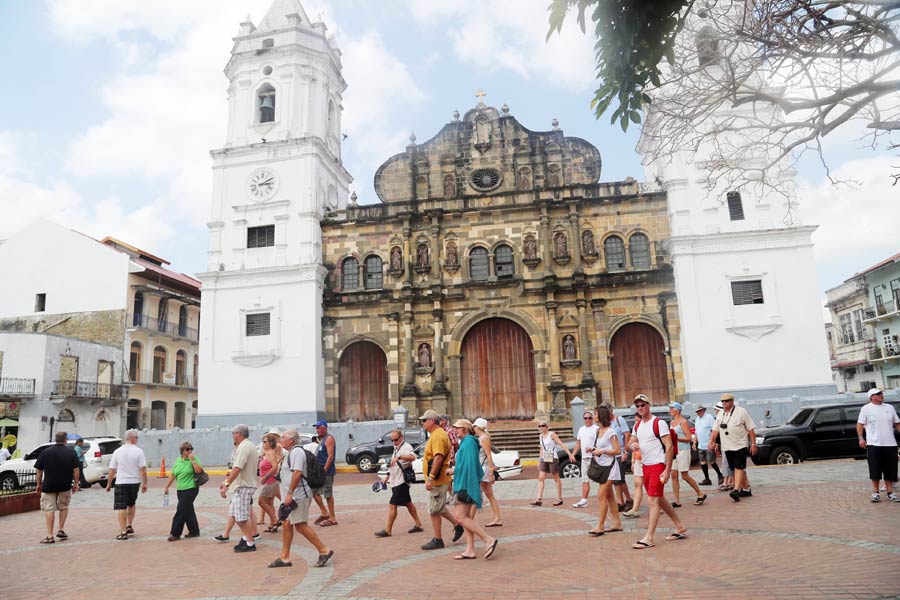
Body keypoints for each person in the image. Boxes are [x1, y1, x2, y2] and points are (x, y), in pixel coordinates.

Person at [268, 429, 334, 568]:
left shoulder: (297, 452)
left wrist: (290, 493)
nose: (281, 440)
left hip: (298, 495)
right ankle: (284, 557)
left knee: (300, 525)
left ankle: (324, 550)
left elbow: (297, 473)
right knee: (286, 523)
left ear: (291, 440)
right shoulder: (289, 453)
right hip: (290, 497)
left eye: (283, 437)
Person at [629, 394, 687, 549]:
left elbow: (669, 446)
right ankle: (679, 526)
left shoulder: (658, 423)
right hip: (646, 465)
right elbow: (632, 440)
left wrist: (667, 469)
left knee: (653, 501)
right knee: (659, 498)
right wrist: (631, 445)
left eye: (643, 405)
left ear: (649, 405)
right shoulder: (637, 425)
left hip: (658, 465)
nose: (640, 408)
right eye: (638, 406)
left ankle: (649, 537)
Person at [449, 419, 498, 560]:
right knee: (466, 517)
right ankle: (470, 549)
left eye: (457, 428)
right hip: (464, 482)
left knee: (460, 517)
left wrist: (453, 470)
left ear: (464, 429)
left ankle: (488, 539)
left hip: (465, 484)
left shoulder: (469, 442)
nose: (455, 430)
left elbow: (469, 465)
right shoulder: (467, 442)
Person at [419, 409, 464, 550]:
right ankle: (457, 525)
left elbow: (438, 457)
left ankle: (438, 539)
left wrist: (430, 477)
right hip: (439, 478)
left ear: (432, 421)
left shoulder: (438, 436)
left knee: (434, 509)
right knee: (439, 506)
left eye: (424, 421)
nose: (422, 424)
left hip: (438, 479)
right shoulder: (436, 434)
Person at [373, 429, 423, 537]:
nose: (394, 442)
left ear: (401, 437)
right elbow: (392, 464)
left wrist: (400, 457)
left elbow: (412, 457)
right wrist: (387, 476)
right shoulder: (396, 447)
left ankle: (388, 529)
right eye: (392, 440)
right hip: (395, 480)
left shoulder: (406, 447)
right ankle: (418, 524)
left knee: (393, 504)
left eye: (396, 440)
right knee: (408, 503)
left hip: (402, 481)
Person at [708, 393, 757, 502]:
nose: (724, 403)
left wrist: (753, 444)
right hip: (727, 446)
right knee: (735, 469)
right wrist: (711, 441)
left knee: (739, 467)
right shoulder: (720, 414)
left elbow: (751, 429)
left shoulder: (741, 412)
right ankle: (746, 489)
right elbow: (715, 429)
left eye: (727, 401)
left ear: (732, 401)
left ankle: (736, 490)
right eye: (723, 402)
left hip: (740, 445)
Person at [219, 424, 259, 552]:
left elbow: (237, 468)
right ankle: (246, 538)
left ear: (238, 434)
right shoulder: (248, 445)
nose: (232, 435)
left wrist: (226, 485)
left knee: (241, 517)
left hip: (244, 486)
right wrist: (226, 480)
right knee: (235, 514)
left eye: (233, 433)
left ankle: (250, 542)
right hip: (242, 485)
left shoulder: (244, 447)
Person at [35, 431, 79, 544]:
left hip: (48, 485)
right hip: (65, 484)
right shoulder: (71, 452)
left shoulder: (45, 452)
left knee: (49, 509)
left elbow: (39, 470)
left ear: (55, 439)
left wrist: (38, 484)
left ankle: (50, 536)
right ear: (65, 440)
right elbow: (76, 469)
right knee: (64, 506)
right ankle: (61, 529)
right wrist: (76, 483)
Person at [857, 388, 900, 502]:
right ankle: (875, 492)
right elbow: (860, 424)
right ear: (872, 397)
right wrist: (861, 438)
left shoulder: (889, 408)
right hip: (873, 444)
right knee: (875, 468)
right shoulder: (866, 409)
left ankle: (890, 492)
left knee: (890, 469)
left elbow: (897, 423)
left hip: (890, 444)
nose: (881, 395)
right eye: (878, 394)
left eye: (881, 393)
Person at [587, 406, 623, 536]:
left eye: (595, 414)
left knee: (601, 495)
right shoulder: (598, 431)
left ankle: (600, 525)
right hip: (602, 466)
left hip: (611, 467)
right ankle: (617, 523)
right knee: (610, 496)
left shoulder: (610, 432)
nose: (593, 416)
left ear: (601, 416)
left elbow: (617, 450)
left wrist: (602, 451)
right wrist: (592, 449)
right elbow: (600, 446)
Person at [105, 429, 148, 540]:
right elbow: (143, 469)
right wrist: (145, 483)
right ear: (132, 438)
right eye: (137, 437)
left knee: (121, 506)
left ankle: (123, 531)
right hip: (134, 482)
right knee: (131, 504)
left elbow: (112, 470)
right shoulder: (139, 451)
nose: (137, 439)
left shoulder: (117, 451)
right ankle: (129, 524)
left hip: (121, 482)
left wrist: (109, 483)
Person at [668, 402, 706, 507]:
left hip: (683, 450)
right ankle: (676, 500)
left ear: (677, 410)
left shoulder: (683, 422)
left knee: (684, 475)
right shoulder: (672, 422)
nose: (670, 410)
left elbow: (689, 438)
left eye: (671, 408)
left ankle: (700, 493)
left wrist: (676, 438)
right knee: (673, 474)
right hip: (674, 451)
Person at [163, 441, 203, 541]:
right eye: (187, 449)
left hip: (191, 488)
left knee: (181, 510)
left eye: (191, 449)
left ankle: (175, 533)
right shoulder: (178, 460)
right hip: (180, 489)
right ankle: (194, 531)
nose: (189, 451)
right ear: (182, 451)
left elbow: (199, 471)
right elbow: (173, 474)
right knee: (188, 510)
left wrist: (193, 461)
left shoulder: (194, 459)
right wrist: (166, 486)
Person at [530, 420, 573, 507]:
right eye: (540, 426)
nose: (541, 427)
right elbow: (541, 448)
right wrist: (539, 460)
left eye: (543, 426)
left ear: (547, 426)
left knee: (556, 477)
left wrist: (569, 454)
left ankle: (559, 498)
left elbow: (561, 444)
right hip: (544, 458)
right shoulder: (540, 436)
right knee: (541, 477)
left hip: (552, 457)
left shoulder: (552, 434)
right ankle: (538, 499)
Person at [473, 417, 502, 526]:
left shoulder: (483, 438)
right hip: (483, 468)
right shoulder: (482, 437)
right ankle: (497, 518)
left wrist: (491, 472)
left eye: (475, 426)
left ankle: (496, 518)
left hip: (483, 468)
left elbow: (489, 455)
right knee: (489, 494)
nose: (474, 428)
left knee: (483, 494)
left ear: (478, 427)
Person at [312, 420, 338, 527]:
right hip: (319, 472)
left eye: (319, 428)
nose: (317, 430)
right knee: (314, 492)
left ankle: (332, 518)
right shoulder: (322, 440)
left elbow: (330, 456)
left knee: (328, 494)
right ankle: (324, 512)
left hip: (326, 472)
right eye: (316, 428)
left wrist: (324, 470)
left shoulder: (329, 439)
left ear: (325, 428)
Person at [572, 410, 599, 508]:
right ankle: (584, 500)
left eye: (589, 418)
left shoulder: (597, 429)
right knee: (585, 479)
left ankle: (606, 498)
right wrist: (573, 454)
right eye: (585, 418)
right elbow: (578, 443)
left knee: (601, 479)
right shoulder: (581, 429)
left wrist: (595, 452)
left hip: (595, 458)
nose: (588, 420)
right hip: (584, 458)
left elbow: (599, 443)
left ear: (592, 419)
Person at [608, 407, 633, 512]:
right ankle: (620, 502)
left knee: (620, 479)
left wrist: (625, 452)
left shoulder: (619, 420)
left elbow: (627, 434)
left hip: (621, 452)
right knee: (615, 480)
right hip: (611, 454)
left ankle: (629, 499)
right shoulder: (606, 422)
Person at [257, 432, 282, 532]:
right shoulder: (267, 453)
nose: (263, 443)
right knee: (269, 503)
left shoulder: (271, 453)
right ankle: (273, 524)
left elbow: (275, 467)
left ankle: (275, 520)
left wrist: (265, 477)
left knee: (261, 502)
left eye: (265, 442)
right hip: (269, 481)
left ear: (270, 443)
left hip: (270, 482)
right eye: (262, 441)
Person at [692, 404, 723, 486]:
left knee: (712, 461)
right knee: (703, 462)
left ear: (703, 410)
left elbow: (714, 430)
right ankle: (707, 479)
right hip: (701, 445)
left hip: (709, 443)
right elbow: (696, 432)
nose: (698, 413)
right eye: (697, 411)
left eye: (699, 411)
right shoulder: (697, 419)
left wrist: (713, 442)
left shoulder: (709, 417)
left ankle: (720, 475)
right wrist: (695, 442)